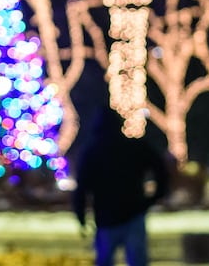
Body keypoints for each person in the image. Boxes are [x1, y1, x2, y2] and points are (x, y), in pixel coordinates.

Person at [72, 107, 172, 266]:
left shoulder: (92, 152)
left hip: (106, 217)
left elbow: (81, 188)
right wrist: (155, 196)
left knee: (105, 261)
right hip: (133, 212)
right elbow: (160, 168)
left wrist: (81, 216)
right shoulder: (133, 148)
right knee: (137, 261)